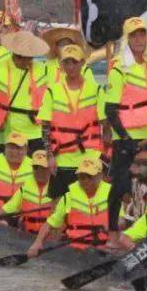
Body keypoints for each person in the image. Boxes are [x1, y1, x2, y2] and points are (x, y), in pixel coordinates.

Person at [105, 17, 147, 231]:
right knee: (120, 184)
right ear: (127, 38)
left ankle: (145, 226)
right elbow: (109, 110)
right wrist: (125, 138)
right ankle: (113, 230)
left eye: (142, 34)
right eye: (134, 35)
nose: (139, 39)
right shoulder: (119, 67)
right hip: (126, 134)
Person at [39, 43, 103, 200]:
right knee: (58, 206)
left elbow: (105, 125)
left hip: (89, 157)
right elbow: (45, 126)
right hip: (61, 158)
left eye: (75, 62)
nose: (71, 66)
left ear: (82, 63)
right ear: (61, 65)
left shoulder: (96, 90)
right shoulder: (52, 91)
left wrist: (104, 157)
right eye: (67, 62)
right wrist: (49, 156)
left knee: (86, 205)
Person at [0, 30, 47, 154]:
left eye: (28, 57)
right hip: (4, 131)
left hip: (33, 132)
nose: (24, 60)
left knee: (34, 170)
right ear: (14, 52)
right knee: (2, 170)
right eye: (20, 56)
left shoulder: (42, 70)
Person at [26, 157, 111, 256]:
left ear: (100, 176)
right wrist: (37, 243)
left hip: (103, 252)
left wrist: (113, 224)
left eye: (90, 176)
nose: (86, 180)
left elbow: (122, 220)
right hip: (75, 252)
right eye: (82, 177)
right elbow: (50, 224)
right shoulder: (68, 197)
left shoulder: (111, 194)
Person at [0, 149, 54, 234]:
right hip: (27, 235)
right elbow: (8, 208)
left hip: (49, 237)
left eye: (44, 168)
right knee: (1, 224)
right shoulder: (25, 187)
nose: (39, 171)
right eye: (36, 167)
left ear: (51, 169)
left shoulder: (59, 191)